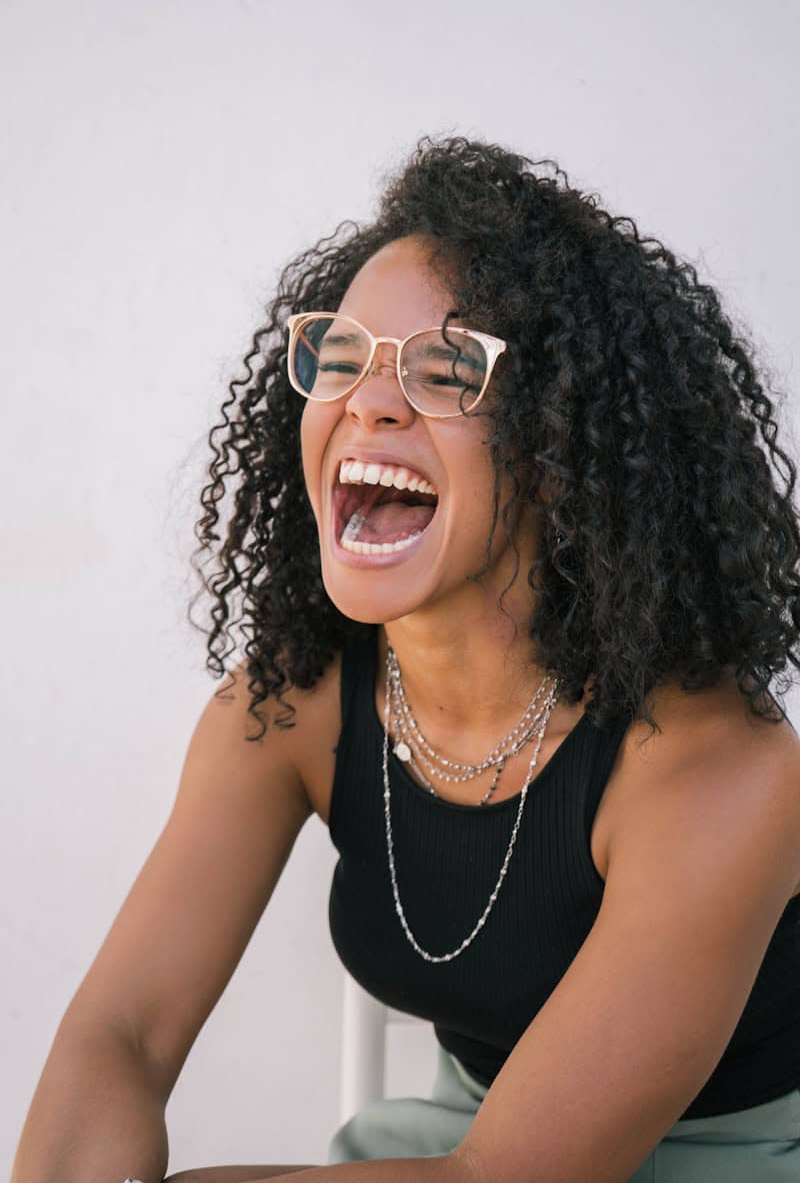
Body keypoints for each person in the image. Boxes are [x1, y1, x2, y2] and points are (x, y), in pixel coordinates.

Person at [12, 135, 800, 1183]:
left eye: (446, 370)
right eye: (339, 358)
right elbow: (120, 1037)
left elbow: (505, 1180)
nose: (368, 404)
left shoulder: (719, 770)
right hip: (455, 1140)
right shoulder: (287, 710)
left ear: (561, 452)